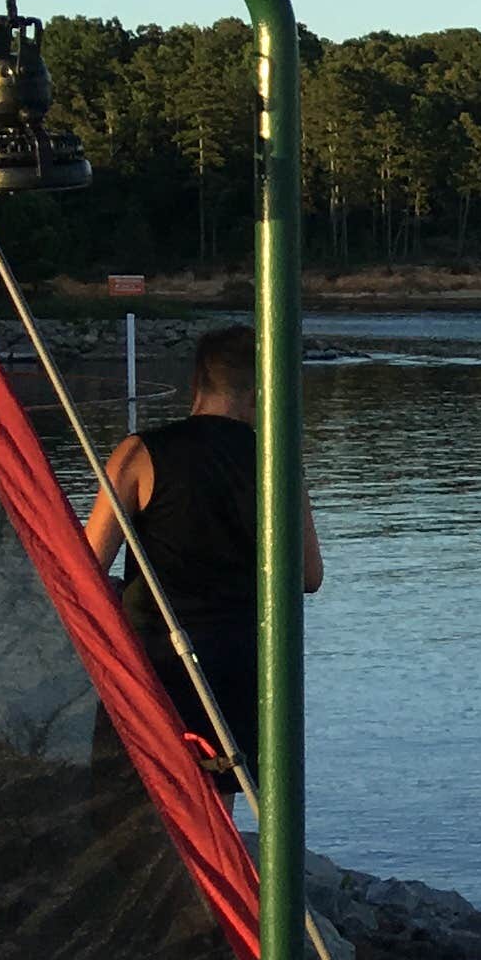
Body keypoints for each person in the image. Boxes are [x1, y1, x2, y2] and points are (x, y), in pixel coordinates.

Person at [80, 324, 322, 774]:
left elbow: (85, 566)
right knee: (220, 803)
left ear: (197, 384)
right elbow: (309, 577)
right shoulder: (280, 463)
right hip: (241, 662)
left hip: (155, 661)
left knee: (135, 800)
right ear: (262, 390)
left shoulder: (139, 454)